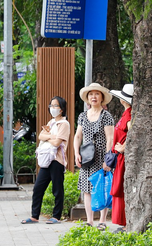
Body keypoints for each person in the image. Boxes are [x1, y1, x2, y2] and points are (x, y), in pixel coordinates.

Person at [21, 96, 70, 224]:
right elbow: (40, 136)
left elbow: (57, 143)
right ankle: (34, 216)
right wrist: (51, 136)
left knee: (57, 189)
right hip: (46, 159)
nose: (52, 108)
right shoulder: (51, 123)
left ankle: (56, 216)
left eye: (56, 106)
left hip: (57, 160)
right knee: (38, 187)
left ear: (62, 109)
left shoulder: (64, 124)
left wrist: (48, 137)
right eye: (51, 105)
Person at [74, 83, 115, 230]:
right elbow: (78, 136)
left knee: (103, 187)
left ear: (102, 97)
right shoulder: (83, 116)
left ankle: (102, 220)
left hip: (101, 157)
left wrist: (107, 159)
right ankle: (89, 220)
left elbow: (110, 139)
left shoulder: (106, 116)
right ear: (87, 98)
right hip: (86, 157)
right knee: (87, 188)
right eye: (91, 94)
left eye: (97, 94)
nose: (94, 97)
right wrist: (76, 153)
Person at [109, 84, 133, 232]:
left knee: (122, 188)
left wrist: (124, 147)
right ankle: (123, 222)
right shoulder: (126, 114)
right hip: (119, 157)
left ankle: (125, 222)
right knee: (119, 187)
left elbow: (133, 134)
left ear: (123, 100)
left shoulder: (129, 115)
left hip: (124, 158)